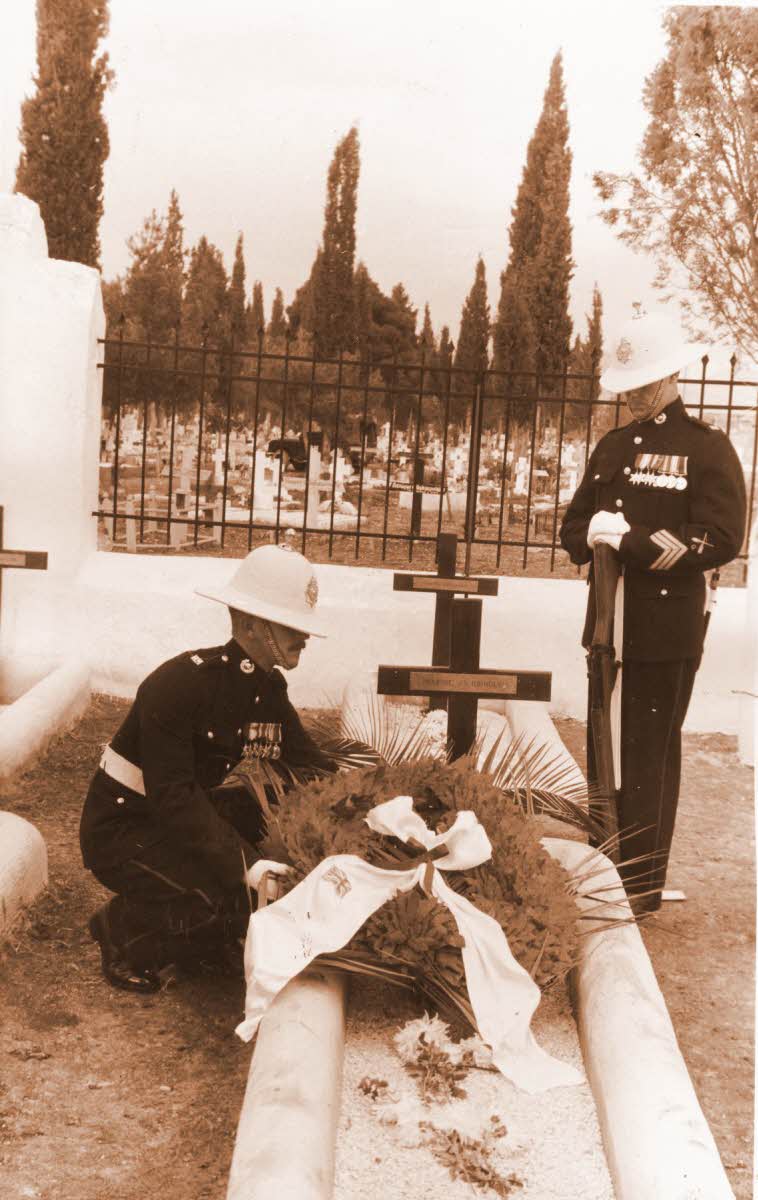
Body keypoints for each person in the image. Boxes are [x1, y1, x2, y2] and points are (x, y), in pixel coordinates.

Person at [80, 543, 335, 992]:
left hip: (177, 819)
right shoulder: (180, 684)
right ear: (252, 625)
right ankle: (120, 930)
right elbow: (173, 797)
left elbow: (310, 765)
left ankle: (198, 941)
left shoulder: (267, 690)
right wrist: (246, 864)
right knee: (222, 896)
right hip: (123, 828)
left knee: (240, 891)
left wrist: (372, 803)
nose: (305, 637)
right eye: (291, 625)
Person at [560, 308, 746, 912]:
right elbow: (572, 527)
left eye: (642, 383)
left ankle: (638, 884)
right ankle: (602, 868)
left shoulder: (706, 449)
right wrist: (591, 533)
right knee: (603, 750)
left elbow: (720, 537)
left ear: (670, 378)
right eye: (628, 384)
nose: (633, 395)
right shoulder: (613, 447)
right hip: (606, 625)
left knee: (647, 755)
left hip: (664, 628)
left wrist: (632, 541)